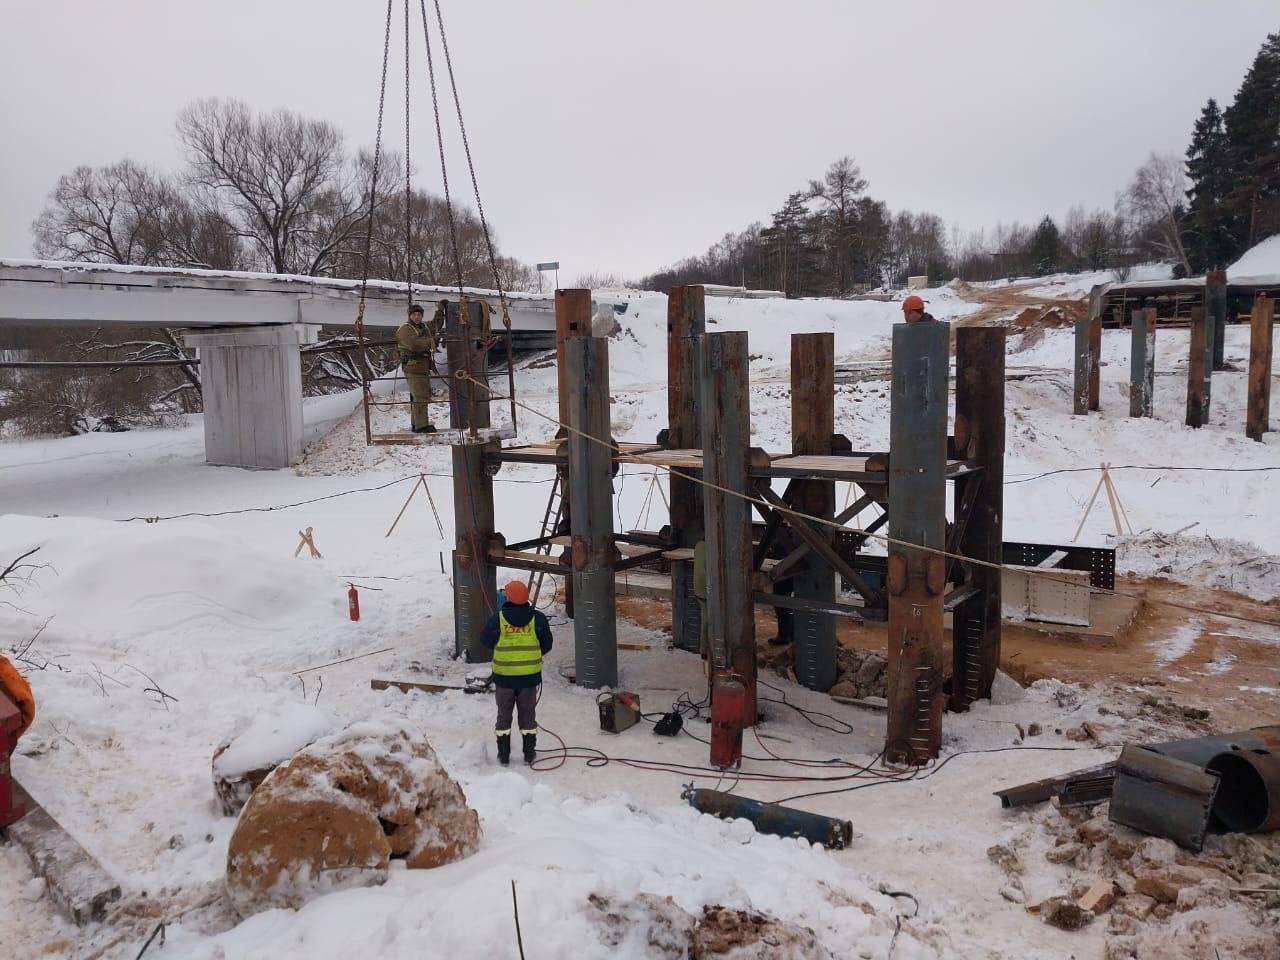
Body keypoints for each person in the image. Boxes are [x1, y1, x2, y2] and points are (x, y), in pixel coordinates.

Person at [481, 580, 553, 765]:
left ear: (508, 597)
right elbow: (547, 644)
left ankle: (503, 755)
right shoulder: (538, 619)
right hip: (529, 680)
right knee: (528, 716)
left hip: (504, 680)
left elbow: (486, 641)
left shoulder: (497, 619)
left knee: (503, 717)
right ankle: (529, 754)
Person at [396, 302, 442, 433]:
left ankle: (417, 424)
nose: (417, 317)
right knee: (420, 396)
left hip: (422, 367)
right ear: (410, 316)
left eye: (419, 314)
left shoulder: (423, 327)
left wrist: (440, 311)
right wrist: (432, 341)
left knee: (419, 395)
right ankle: (421, 426)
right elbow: (414, 345)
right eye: (414, 314)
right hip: (413, 367)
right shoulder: (405, 329)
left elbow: (434, 325)